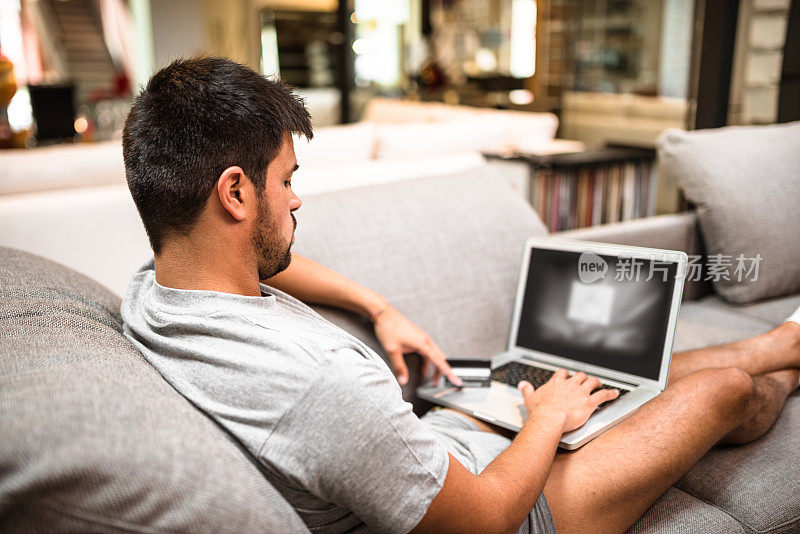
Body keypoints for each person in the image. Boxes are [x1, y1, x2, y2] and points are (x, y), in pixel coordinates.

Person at [120, 57, 800, 534]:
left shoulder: (162, 286)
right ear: (235, 192)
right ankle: (781, 368)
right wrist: (546, 421)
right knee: (729, 389)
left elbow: (271, 265)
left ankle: (777, 339)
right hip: (511, 510)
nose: (296, 201)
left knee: (589, 372)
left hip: (437, 451)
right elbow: (482, 522)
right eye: (285, 180)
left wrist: (379, 308)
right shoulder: (317, 384)